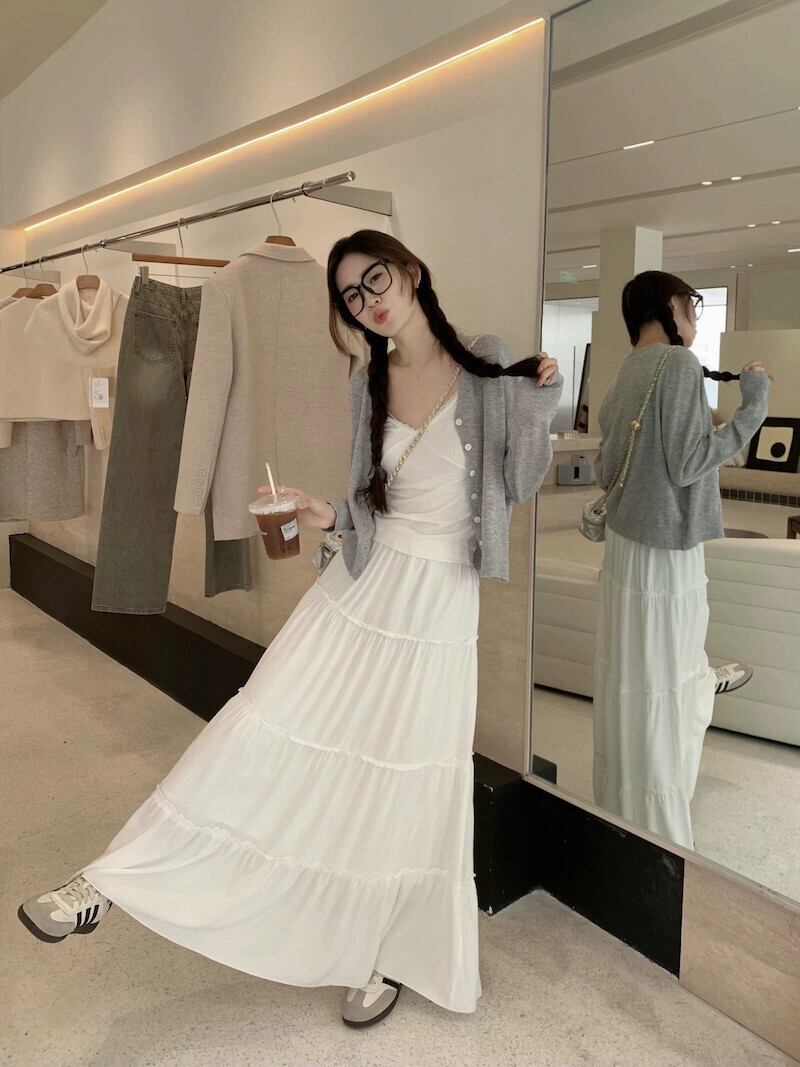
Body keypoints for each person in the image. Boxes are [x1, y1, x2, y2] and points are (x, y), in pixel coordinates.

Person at [19, 229, 562, 1027]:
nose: (367, 302)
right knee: (259, 727)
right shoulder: (366, 383)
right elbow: (375, 503)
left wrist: (542, 401)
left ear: (411, 272)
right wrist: (324, 511)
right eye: (350, 296)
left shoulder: (486, 363)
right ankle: (116, 877)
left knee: (409, 777)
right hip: (360, 586)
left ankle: (385, 952)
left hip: (439, 605)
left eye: (375, 280)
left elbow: (518, 480)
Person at [592, 270, 770, 850]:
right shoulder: (680, 365)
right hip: (668, 553)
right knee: (668, 679)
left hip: (626, 549)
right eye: (692, 304)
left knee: (632, 676)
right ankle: (663, 830)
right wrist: (753, 408)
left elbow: (606, 468)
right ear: (670, 304)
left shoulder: (627, 371)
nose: (694, 315)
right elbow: (691, 462)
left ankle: (622, 814)